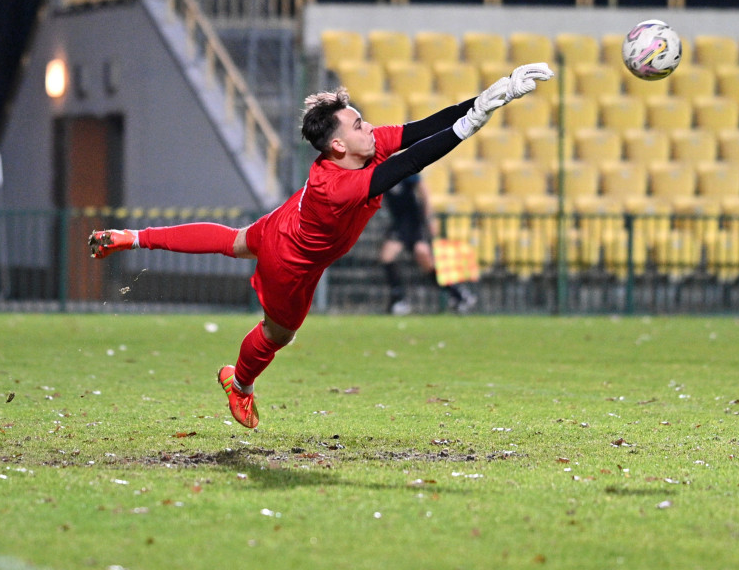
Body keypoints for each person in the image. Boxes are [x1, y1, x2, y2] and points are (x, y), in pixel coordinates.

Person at [88, 62, 554, 428]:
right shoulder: (341, 187)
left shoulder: (361, 150)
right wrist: (471, 124)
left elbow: (418, 130)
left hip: (285, 221)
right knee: (279, 334)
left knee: (235, 240)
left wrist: (490, 97)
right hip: (289, 263)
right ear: (338, 147)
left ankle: (132, 237)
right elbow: (410, 162)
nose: (369, 128)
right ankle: (239, 383)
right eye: (358, 124)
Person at [379, 172, 477, 315]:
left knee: (417, 258)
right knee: (395, 257)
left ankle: (457, 293)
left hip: (412, 221)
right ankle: (457, 294)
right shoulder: (380, 170)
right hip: (399, 221)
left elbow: (424, 192)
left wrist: (430, 218)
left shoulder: (402, 169)